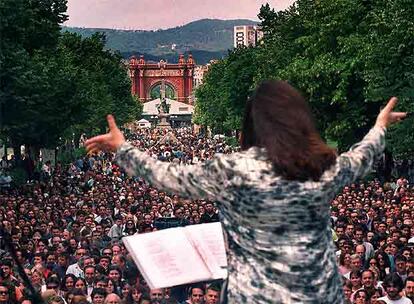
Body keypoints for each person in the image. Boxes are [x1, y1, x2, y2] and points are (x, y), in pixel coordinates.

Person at [85, 80, 407, 303]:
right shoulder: (321, 166)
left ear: (250, 125)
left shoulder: (232, 171)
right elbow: (361, 157)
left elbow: (166, 176)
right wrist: (379, 126)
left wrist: (123, 148)